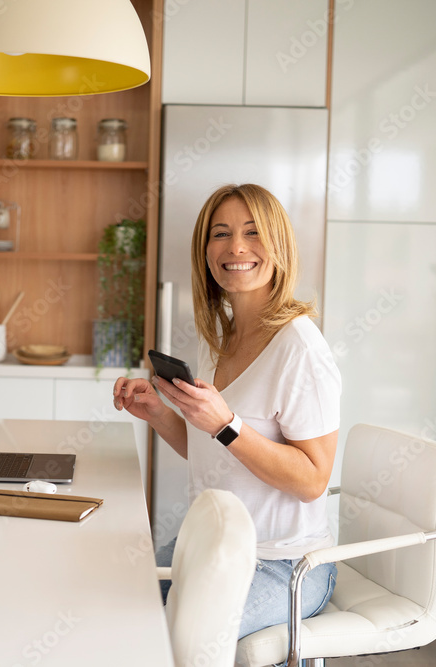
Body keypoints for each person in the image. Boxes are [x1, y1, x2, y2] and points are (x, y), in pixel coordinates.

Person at [112, 183, 341, 639]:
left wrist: (226, 424)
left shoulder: (300, 348)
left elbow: (313, 480)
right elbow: (214, 450)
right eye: (221, 233)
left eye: (253, 232)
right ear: (206, 251)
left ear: (279, 246)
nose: (236, 247)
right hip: (212, 545)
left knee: (174, 634)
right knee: (113, 608)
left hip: (283, 565)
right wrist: (159, 413)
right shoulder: (220, 337)